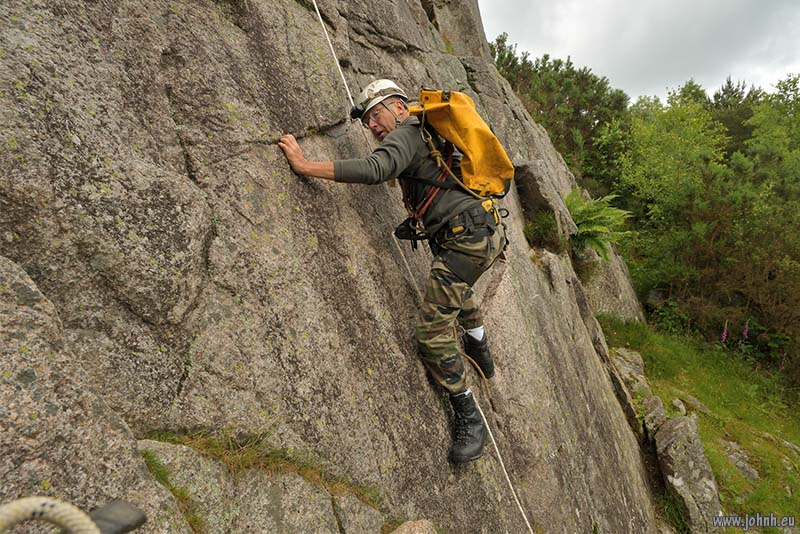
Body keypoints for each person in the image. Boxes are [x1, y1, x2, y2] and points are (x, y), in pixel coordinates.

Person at [278, 79, 507, 463]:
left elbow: (374, 168)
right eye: (366, 121)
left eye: (375, 114)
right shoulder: (429, 131)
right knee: (455, 286)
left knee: (432, 332)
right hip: (481, 231)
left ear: (399, 106)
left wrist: (304, 164)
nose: (372, 125)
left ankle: (469, 414)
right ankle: (479, 344)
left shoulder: (408, 130)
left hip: (464, 238)